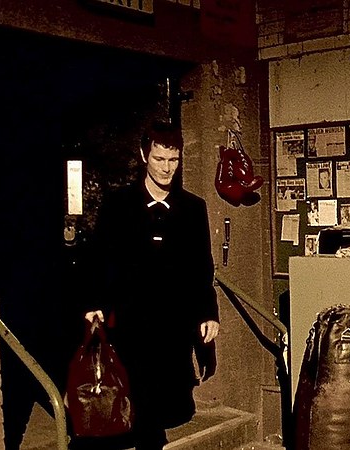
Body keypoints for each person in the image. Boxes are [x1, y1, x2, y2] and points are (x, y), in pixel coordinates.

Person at [82, 122, 219, 450]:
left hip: (173, 326)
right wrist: (94, 303)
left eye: (173, 160)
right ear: (145, 156)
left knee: (160, 411)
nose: (166, 168)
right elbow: (100, 258)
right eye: (159, 159)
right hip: (130, 324)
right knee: (129, 406)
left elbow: (202, 266)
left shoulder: (192, 208)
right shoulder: (119, 204)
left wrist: (208, 313)